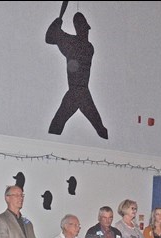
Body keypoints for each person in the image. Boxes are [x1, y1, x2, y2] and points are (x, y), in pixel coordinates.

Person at [45, 6, 108, 139]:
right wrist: (57, 24)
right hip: (80, 92)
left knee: (57, 125)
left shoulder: (81, 46)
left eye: (86, 28)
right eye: (84, 28)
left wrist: (57, 24)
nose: (86, 31)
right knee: (99, 128)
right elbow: (50, 38)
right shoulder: (83, 46)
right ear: (81, 29)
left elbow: (50, 37)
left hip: (77, 92)